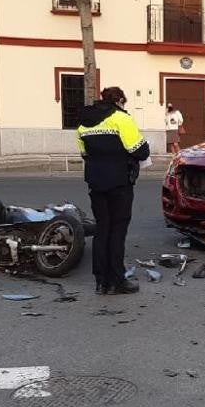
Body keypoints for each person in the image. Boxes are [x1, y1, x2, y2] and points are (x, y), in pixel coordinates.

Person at [78, 87, 151, 295]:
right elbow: (139, 150)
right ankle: (117, 280)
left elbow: (84, 153)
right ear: (119, 100)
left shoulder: (84, 122)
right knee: (117, 231)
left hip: (96, 182)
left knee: (102, 230)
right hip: (119, 182)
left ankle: (101, 282)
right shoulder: (121, 118)